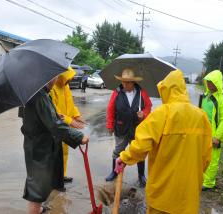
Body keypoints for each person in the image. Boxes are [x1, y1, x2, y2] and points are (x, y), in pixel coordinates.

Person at [115, 69, 212, 213]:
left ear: (167, 90)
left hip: (162, 195)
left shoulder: (161, 115)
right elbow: (206, 157)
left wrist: (124, 158)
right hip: (188, 195)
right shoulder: (202, 117)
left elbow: (140, 146)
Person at [21, 76, 89, 214]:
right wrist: (78, 136)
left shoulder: (33, 93)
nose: (56, 80)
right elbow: (54, 125)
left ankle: (39, 209)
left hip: (37, 144)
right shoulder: (39, 96)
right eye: (55, 78)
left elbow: (46, 119)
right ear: (48, 78)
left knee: (41, 182)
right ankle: (35, 211)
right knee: (37, 186)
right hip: (40, 147)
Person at [105, 68, 152, 187]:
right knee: (118, 151)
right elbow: (111, 109)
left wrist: (144, 114)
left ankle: (141, 175)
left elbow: (148, 107)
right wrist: (110, 125)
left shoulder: (142, 93)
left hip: (137, 129)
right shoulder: (117, 92)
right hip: (121, 127)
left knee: (139, 152)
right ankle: (114, 172)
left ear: (133, 82)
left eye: (127, 82)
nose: (124, 84)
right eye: (123, 81)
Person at [49, 67, 85, 184]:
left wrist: (77, 116)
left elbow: (71, 104)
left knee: (64, 152)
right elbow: (55, 112)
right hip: (57, 127)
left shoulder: (66, 86)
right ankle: (53, 180)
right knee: (55, 154)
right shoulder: (52, 88)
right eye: (67, 78)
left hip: (65, 126)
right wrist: (71, 121)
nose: (69, 81)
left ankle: (62, 175)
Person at [200, 70, 223, 191]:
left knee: (212, 160)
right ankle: (202, 178)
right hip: (203, 132)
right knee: (203, 157)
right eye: (207, 82)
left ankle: (208, 182)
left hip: (214, 135)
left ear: (217, 83)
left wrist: (217, 137)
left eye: (211, 82)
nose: (208, 84)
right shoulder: (207, 94)